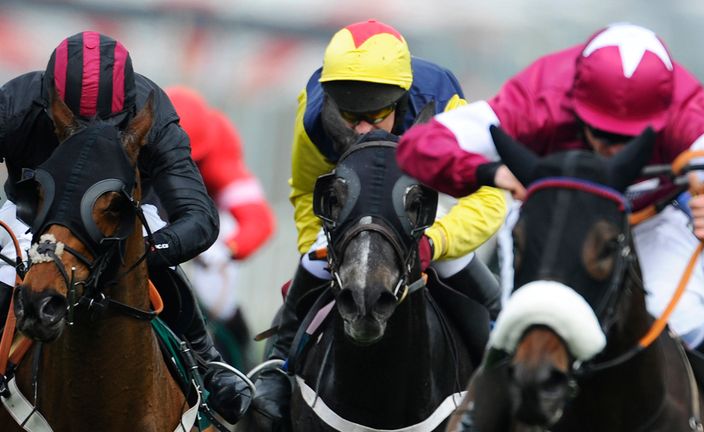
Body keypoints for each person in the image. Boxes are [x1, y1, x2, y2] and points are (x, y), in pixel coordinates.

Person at [396, 22, 704, 430]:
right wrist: (489, 171)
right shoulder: (539, 94)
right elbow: (419, 148)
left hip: (649, 219)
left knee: (680, 318)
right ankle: (478, 416)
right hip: (557, 220)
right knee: (521, 319)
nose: (612, 149)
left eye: (629, 139)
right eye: (603, 132)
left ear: (663, 112)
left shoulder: (685, 112)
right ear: (575, 101)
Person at [250, 19, 507, 427]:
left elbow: (490, 196)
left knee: (482, 292)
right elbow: (304, 191)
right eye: (350, 117)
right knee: (312, 267)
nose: (362, 129)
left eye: (374, 115)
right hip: (352, 212)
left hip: (427, 205)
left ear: (401, 99)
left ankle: (504, 383)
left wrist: (435, 242)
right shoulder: (314, 112)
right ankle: (275, 373)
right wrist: (321, 245)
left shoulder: (445, 108)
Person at [0, 31, 251, 423]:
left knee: (154, 262)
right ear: (50, 99)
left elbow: (199, 215)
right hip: (32, 212)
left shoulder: (153, 111)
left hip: (117, 216)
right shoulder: (15, 103)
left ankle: (208, 362)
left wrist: (147, 253)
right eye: (73, 125)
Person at [165, 85, 276, 368]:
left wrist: (227, 249)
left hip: (203, 218)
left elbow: (258, 221)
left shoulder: (218, 154)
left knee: (217, 293)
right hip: (157, 214)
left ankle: (242, 363)